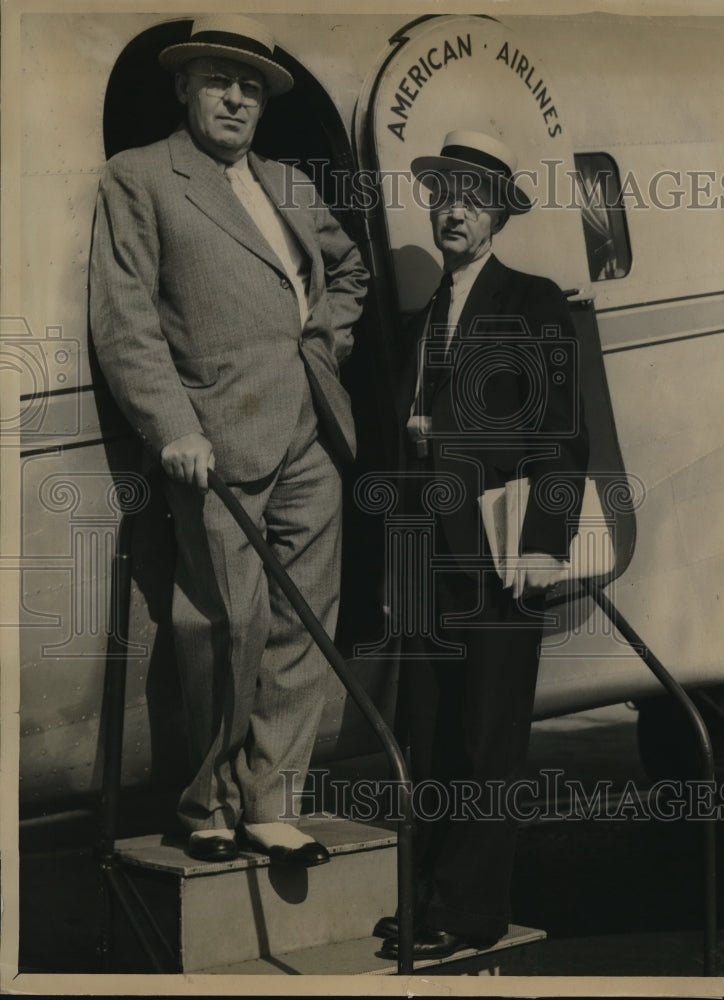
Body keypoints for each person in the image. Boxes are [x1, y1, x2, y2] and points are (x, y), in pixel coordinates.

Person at [89, 14, 368, 865]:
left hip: (309, 437)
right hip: (215, 442)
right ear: (184, 88)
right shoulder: (140, 178)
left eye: (250, 87)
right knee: (219, 626)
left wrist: (323, 344)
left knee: (300, 627)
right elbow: (125, 318)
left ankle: (272, 798)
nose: (236, 98)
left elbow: (349, 270)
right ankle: (206, 800)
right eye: (218, 80)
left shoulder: (287, 182)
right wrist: (172, 424)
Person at [378, 131, 589, 958]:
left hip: (499, 554)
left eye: (471, 197)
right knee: (427, 733)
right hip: (426, 558)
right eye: (443, 195)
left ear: (498, 213)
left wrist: (544, 544)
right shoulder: (421, 315)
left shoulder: (530, 301)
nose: (453, 209)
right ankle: (423, 897)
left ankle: (468, 912)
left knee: (485, 737)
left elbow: (560, 436)